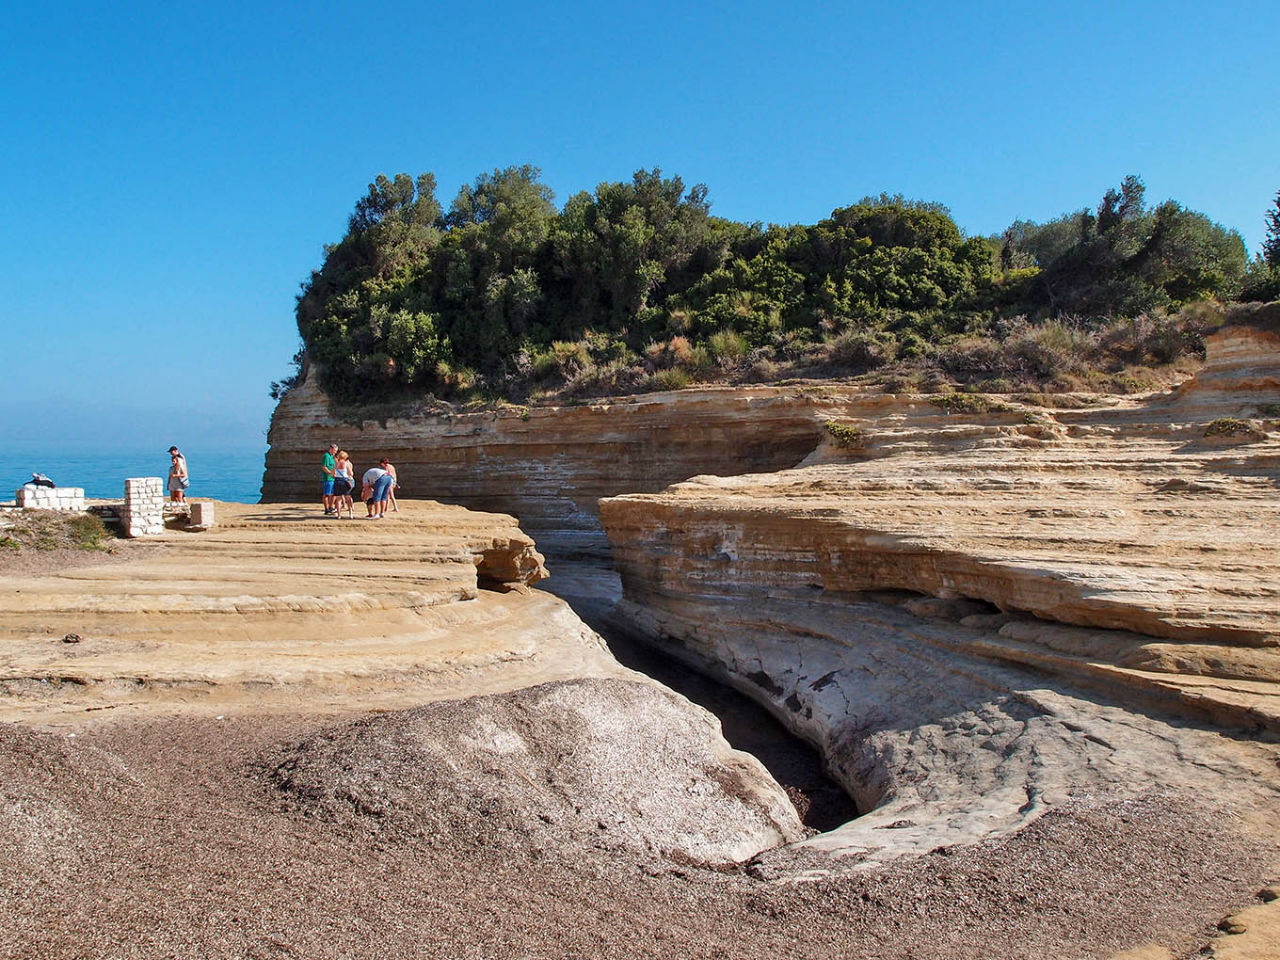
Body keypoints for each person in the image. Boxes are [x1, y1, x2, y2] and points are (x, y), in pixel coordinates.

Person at [332, 450, 355, 519]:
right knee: (348, 498)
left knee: (338, 499)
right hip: (345, 480)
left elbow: (332, 474)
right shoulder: (346, 464)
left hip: (337, 481)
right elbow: (351, 473)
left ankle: (339, 515)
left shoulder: (336, 464)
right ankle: (350, 513)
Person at [321, 443, 338, 515]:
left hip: (333, 478)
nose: (335, 452)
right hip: (328, 478)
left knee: (333, 494)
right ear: (330, 449)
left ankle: (331, 507)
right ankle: (326, 508)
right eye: (334, 450)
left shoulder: (332, 457)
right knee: (326, 494)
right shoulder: (326, 456)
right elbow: (324, 467)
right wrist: (331, 473)